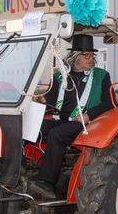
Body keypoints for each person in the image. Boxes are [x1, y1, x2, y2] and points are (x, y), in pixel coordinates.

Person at [28, 36, 113, 200]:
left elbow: (109, 104)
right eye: (86, 55)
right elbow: (51, 99)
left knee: (56, 135)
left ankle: (47, 183)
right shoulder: (60, 75)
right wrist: (41, 99)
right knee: (33, 127)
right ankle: (21, 170)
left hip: (87, 123)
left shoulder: (101, 76)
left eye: (91, 55)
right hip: (61, 120)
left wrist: (88, 115)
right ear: (75, 56)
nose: (90, 59)